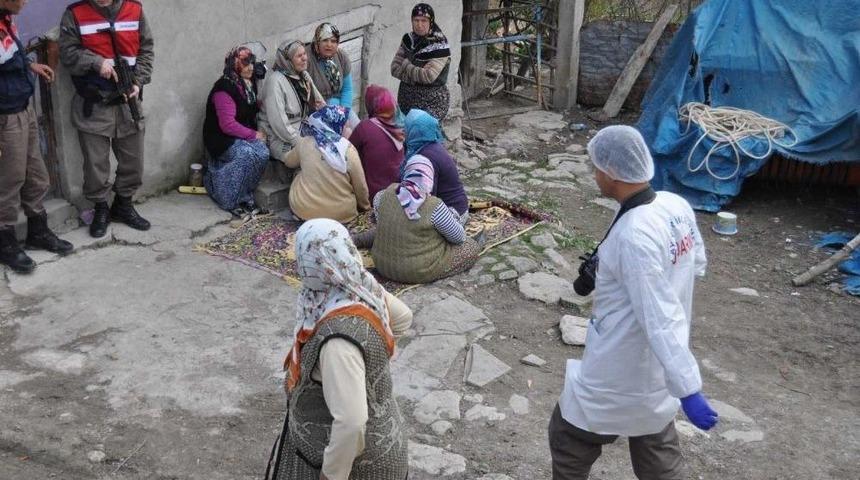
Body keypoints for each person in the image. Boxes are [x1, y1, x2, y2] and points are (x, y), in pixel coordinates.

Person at [549, 126, 718, 480]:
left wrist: (689, 389)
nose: (595, 174)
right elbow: (696, 263)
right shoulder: (674, 205)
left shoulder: (634, 234)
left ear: (611, 174)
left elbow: (659, 316)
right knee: (655, 444)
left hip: (621, 361)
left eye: (596, 168)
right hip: (657, 365)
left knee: (569, 438)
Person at [268, 218, 410, 480]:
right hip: (387, 438)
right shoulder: (360, 287)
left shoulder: (337, 342)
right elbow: (402, 318)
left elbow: (352, 423)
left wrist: (331, 475)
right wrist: (371, 361)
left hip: (361, 468)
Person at [58, 0, 154, 238]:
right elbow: (67, 52)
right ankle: (101, 208)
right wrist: (96, 62)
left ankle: (123, 205)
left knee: (134, 161)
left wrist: (137, 81)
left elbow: (146, 50)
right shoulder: (75, 13)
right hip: (94, 103)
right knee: (95, 165)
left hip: (128, 101)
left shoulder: (135, 10)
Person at [0, 0, 74, 273]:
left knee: (36, 174)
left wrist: (30, 68)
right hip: (5, 116)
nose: (26, 1)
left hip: (23, 106)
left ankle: (38, 231)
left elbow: (8, 55)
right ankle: (5, 242)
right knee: (9, 180)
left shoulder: (6, 17)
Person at [370, 155, 479, 284]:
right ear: (429, 179)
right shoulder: (434, 206)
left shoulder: (382, 196)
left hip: (382, 265)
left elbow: (384, 225)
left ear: (406, 172)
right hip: (416, 271)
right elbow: (459, 237)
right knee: (471, 247)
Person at [201, 46, 269, 216]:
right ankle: (224, 195)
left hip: (241, 134)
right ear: (234, 65)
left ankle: (245, 195)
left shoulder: (247, 83)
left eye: (252, 63)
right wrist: (254, 134)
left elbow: (249, 107)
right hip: (221, 139)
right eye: (245, 64)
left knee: (262, 152)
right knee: (246, 154)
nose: (251, 68)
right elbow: (227, 125)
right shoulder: (224, 89)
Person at [282, 106, 370, 223]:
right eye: (345, 126)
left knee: (299, 172)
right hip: (342, 215)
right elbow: (361, 187)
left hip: (304, 211)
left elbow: (289, 162)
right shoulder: (348, 149)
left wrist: (281, 151)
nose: (347, 129)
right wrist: (365, 207)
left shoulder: (305, 142)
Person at [258, 39, 325, 163]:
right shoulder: (275, 82)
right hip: (281, 139)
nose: (305, 58)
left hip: (303, 129)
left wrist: (328, 118)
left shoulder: (303, 76)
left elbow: (319, 102)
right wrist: (302, 142)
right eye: (299, 56)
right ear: (287, 60)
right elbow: (280, 125)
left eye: (304, 53)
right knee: (316, 154)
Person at [403, 109, 468, 223]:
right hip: (451, 206)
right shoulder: (430, 146)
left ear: (413, 131)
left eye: (406, 128)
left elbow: (428, 200)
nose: (404, 132)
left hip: (453, 213)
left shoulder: (426, 156)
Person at [390, 3, 451, 120]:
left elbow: (428, 76)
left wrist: (406, 65)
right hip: (407, 101)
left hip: (432, 102)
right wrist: (417, 75)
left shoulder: (439, 45)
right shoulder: (408, 40)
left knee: (426, 134)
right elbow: (394, 69)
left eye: (424, 21)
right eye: (416, 20)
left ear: (431, 22)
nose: (419, 25)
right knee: (407, 134)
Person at [348, 85, 405, 200]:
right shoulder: (401, 126)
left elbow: (348, 153)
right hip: (397, 192)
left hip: (372, 195)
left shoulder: (365, 127)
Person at [306, 22, 353, 108]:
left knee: (356, 122)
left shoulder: (341, 56)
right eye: (325, 40)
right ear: (317, 42)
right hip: (316, 111)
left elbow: (347, 89)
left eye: (333, 41)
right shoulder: (306, 58)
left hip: (340, 105)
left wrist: (344, 112)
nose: (329, 45)